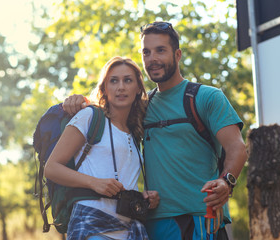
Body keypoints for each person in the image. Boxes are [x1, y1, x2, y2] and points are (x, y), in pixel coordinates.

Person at [63, 21, 248, 240]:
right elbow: (110, 105)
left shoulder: (207, 97)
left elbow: (237, 148)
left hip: (199, 217)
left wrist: (226, 182)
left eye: (160, 50)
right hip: (151, 224)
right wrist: (79, 101)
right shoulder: (141, 106)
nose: (153, 59)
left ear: (177, 54)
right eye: (146, 52)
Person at [44, 56, 159, 240]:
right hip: (92, 225)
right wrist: (94, 182)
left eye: (127, 80)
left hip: (129, 230)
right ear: (105, 88)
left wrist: (142, 197)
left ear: (138, 88)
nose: (120, 87)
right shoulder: (90, 116)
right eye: (113, 81)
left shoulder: (135, 132)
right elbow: (51, 168)